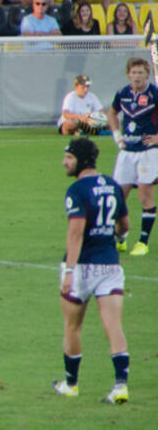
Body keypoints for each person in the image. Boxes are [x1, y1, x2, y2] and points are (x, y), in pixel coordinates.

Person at [55, 137, 133, 404]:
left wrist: (69, 271)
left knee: (72, 326)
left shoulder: (77, 190)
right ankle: (120, 385)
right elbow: (125, 225)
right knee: (113, 326)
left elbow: (75, 233)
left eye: (68, 158)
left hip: (82, 267)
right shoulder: (112, 185)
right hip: (110, 265)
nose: (64, 162)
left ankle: (71, 384)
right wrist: (112, 236)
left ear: (81, 160)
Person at [107, 57, 158, 256]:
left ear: (147, 74)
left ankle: (143, 242)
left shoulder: (154, 93)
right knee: (118, 197)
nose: (136, 76)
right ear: (128, 73)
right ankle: (120, 238)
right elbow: (112, 113)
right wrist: (117, 135)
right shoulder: (122, 93)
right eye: (134, 72)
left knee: (145, 196)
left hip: (148, 152)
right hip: (127, 152)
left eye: (140, 72)